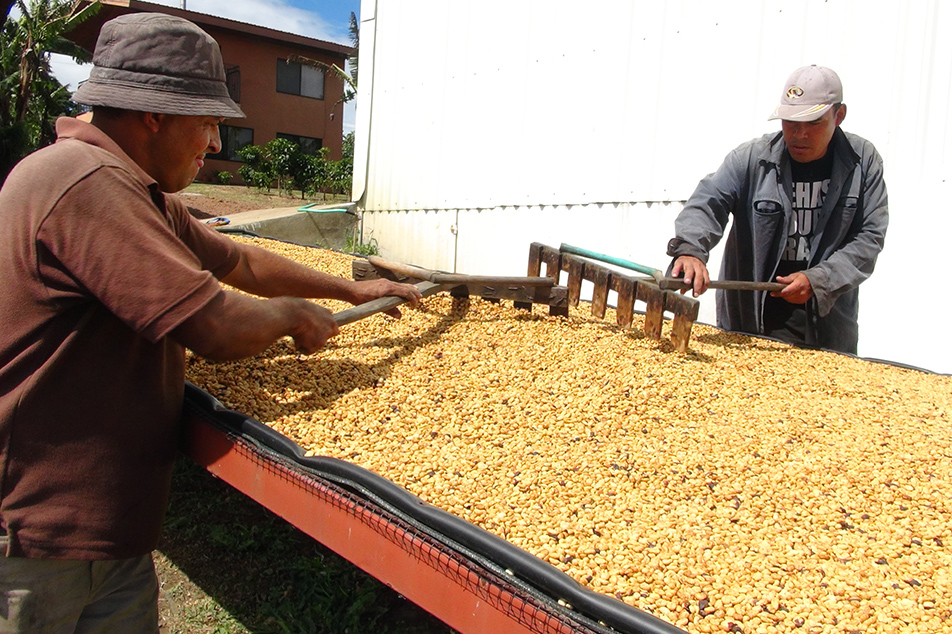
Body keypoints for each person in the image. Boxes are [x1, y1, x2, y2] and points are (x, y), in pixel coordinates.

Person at [0, 13, 421, 632]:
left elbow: (240, 261)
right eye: (207, 125)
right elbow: (216, 327)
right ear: (154, 116)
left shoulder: (129, 189)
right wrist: (291, 319)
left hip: (110, 532)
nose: (215, 145)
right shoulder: (85, 185)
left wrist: (352, 287)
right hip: (43, 541)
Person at [665, 65, 888, 354]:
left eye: (813, 123)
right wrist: (690, 250)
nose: (799, 134)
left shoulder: (863, 163)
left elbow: (870, 237)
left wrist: (818, 279)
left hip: (828, 324)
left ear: (839, 115)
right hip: (752, 322)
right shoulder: (751, 159)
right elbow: (709, 201)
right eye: (791, 122)